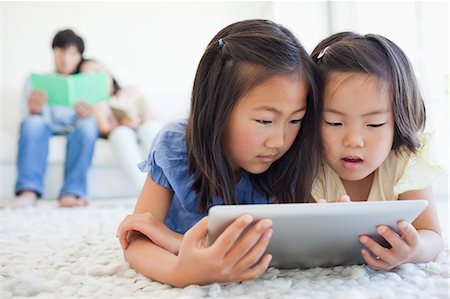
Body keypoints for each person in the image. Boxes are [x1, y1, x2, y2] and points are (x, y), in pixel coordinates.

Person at [116, 19, 321, 286]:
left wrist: (176, 242)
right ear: (217, 111)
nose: (279, 141)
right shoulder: (176, 145)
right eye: (265, 121)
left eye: (295, 120)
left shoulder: (292, 156)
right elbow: (136, 240)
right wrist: (181, 273)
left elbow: (276, 248)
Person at [310, 32, 444, 270]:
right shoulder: (310, 165)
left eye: (374, 125)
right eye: (333, 123)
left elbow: (432, 235)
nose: (353, 141)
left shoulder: (404, 162)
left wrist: (414, 250)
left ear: (399, 121)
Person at [4, 29, 99, 208]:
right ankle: (28, 192)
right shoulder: (34, 81)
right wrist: (35, 111)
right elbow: (27, 117)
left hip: (75, 127)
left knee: (88, 126)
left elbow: (95, 120)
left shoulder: (86, 84)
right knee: (33, 123)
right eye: (61, 51)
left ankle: (71, 193)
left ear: (79, 57)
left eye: (72, 53)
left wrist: (88, 114)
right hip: (43, 124)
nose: (66, 58)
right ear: (53, 51)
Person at [78, 59, 163, 192]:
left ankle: (171, 185)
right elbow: (105, 130)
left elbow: (151, 116)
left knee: (150, 128)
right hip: (121, 131)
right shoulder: (96, 104)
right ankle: (146, 192)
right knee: (121, 134)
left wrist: (142, 118)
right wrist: (122, 123)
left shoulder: (130, 91)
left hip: (143, 126)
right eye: (88, 77)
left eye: (97, 71)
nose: (96, 77)